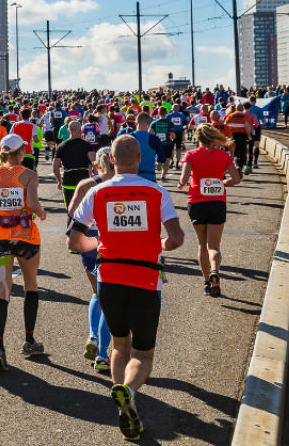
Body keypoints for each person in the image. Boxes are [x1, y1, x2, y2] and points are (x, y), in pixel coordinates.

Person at [67, 135, 185, 442]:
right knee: (143, 353)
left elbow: (74, 239)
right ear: (139, 160)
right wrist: (157, 245)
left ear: (113, 160)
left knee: (119, 345)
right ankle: (129, 390)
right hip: (146, 279)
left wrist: (98, 243)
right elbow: (176, 238)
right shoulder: (156, 192)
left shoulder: (97, 191)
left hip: (109, 278)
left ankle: (124, 406)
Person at [0, 133, 48, 370]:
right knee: (31, 285)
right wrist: (41, 213)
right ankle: (29, 340)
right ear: (22, 153)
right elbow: (33, 204)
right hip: (26, 237)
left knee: (3, 290)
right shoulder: (29, 174)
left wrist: (2, 210)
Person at [66, 148, 116, 372]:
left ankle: (94, 336)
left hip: (89, 242)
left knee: (98, 293)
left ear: (96, 165)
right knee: (111, 297)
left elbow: (72, 210)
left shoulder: (86, 185)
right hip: (113, 242)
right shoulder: (123, 184)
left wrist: (92, 216)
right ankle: (102, 352)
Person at [178, 124, 241, 297]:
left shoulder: (191, 155)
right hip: (217, 203)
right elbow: (236, 179)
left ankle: (207, 283)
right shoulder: (224, 155)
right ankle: (215, 270)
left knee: (201, 244)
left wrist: (182, 183)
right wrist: (222, 183)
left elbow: (184, 179)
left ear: (198, 138)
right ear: (213, 137)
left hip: (197, 203)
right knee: (214, 246)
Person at [53, 120, 96, 209]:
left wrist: (59, 180)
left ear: (68, 131)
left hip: (68, 180)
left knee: (70, 210)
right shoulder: (87, 145)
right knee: (84, 211)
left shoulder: (61, 146)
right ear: (81, 130)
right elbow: (94, 163)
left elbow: (55, 166)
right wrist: (97, 179)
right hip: (84, 182)